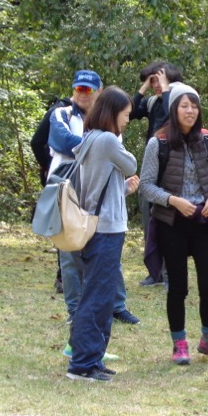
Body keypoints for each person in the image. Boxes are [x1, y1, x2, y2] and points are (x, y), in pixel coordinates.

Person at [139, 83, 208, 365]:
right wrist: (173, 200)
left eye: (194, 106)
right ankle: (179, 344)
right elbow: (146, 185)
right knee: (177, 286)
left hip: (204, 222)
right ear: (174, 110)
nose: (190, 111)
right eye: (184, 106)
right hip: (172, 223)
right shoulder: (158, 143)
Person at [48, 70, 140, 327]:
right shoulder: (64, 114)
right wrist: (96, 144)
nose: (83, 93)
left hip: (94, 201)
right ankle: (76, 312)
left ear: (98, 92)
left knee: (103, 265)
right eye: (79, 88)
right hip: (66, 194)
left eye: (88, 89)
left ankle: (114, 307)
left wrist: (96, 145)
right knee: (72, 257)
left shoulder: (105, 132)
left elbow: (108, 172)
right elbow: (62, 141)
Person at [66, 86, 140, 382]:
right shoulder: (108, 139)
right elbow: (131, 164)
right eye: (126, 115)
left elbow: (98, 187)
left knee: (99, 295)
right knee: (98, 296)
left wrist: (124, 189)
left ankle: (92, 358)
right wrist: (119, 142)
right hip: (106, 230)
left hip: (96, 225)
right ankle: (82, 364)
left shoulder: (90, 138)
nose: (127, 121)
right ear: (112, 113)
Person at [130, 61, 184, 287]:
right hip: (152, 168)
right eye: (152, 81)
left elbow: (173, 115)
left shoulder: (181, 99)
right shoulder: (152, 102)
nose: (155, 85)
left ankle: (172, 274)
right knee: (149, 221)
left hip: (174, 168)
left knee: (170, 222)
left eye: (158, 80)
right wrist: (143, 88)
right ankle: (155, 272)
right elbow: (129, 112)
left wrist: (166, 86)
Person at [31, 95, 72, 294]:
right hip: (60, 176)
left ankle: (68, 276)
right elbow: (36, 141)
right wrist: (48, 164)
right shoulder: (60, 110)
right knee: (63, 223)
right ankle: (63, 276)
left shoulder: (93, 112)